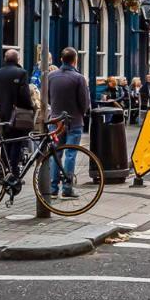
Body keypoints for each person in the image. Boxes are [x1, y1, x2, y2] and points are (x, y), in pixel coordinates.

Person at [46, 47, 92, 199]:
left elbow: (47, 98)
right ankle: (67, 188)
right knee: (70, 154)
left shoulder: (51, 76)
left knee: (55, 154)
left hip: (55, 121)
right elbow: (84, 102)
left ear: (61, 59)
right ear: (75, 60)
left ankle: (52, 189)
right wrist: (81, 112)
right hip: (74, 121)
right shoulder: (79, 78)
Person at [0, 49, 34, 183]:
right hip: (18, 115)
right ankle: (14, 174)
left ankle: (3, 170)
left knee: (6, 143)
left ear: (5, 59)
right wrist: (29, 107)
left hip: (4, 114)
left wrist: (3, 107)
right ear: (18, 59)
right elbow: (25, 95)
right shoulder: (21, 73)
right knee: (17, 144)